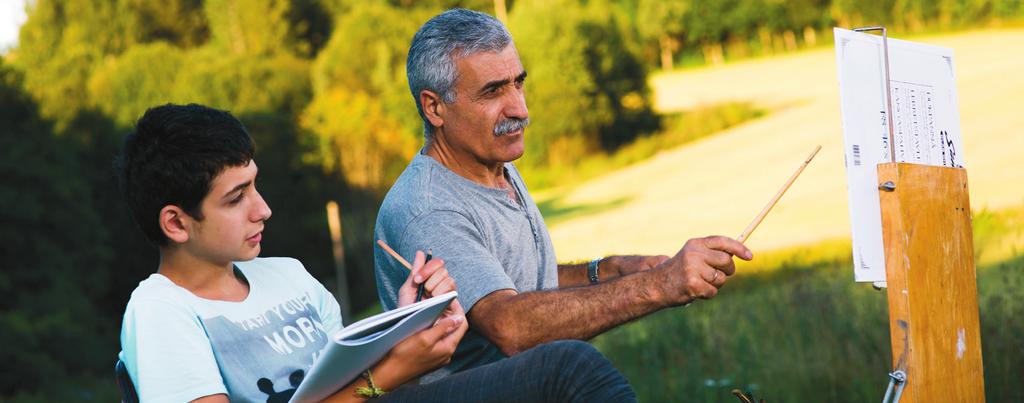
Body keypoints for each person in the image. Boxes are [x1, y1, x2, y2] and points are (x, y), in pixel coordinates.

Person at [117, 103, 635, 402]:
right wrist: (384, 374)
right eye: (236, 198)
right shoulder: (161, 312)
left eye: (255, 185)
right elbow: (365, 390)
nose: (263, 209)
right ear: (176, 222)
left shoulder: (288, 276)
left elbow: (343, 386)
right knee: (565, 370)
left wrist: (410, 324)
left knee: (567, 370)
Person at [374, 8, 755, 383]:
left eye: (518, 83)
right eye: (492, 92)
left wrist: (608, 270)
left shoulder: (489, 160)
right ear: (434, 107)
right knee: (578, 364)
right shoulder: (429, 209)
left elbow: (511, 281)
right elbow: (511, 325)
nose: (519, 109)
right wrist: (661, 284)